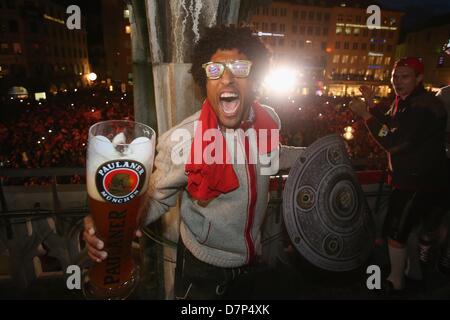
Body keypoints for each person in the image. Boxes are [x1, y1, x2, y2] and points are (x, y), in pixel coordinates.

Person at [83, 25, 303, 299]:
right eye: (214, 71)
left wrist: (315, 155)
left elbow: (275, 154)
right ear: (205, 82)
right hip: (203, 272)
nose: (227, 79)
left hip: (254, 264)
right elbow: (153, 195)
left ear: (255, 79)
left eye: (240, 68)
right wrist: (109, 224)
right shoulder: (183, 140)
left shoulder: (268, 119)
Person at [349, 57, 448, 293]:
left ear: (419, 78)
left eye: (404, 76)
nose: (397, 82)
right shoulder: (407, 101)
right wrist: (372, 106)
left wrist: (366, 115)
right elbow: (391, 127)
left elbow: (395, 141)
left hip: (419, 182)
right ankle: (409, 274)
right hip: (411, 179)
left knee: (397, 232)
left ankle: (397, 282)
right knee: (403, 231)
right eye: (395, 76)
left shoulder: (422, 106)